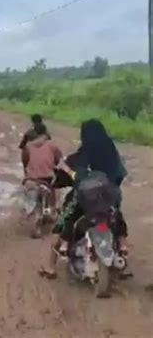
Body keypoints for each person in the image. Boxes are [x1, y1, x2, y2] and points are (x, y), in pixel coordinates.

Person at [39, 119, 128, 279]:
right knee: (116, 217)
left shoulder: (80, 156)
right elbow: (121, 174)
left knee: (63, 222)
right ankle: (122, 245)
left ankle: (51, 266)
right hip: (109, 197)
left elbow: (64, 177)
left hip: (83, 199)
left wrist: (60, 180)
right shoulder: (112, 153)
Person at [22, 123, 63, 237]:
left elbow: (25, 163)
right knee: (54, 191)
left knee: (35, 203)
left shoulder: (28, 147)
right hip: (47, 180)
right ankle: (51, 212)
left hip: (31, 180)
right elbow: (60, 161)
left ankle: (37, 226)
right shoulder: (52, 146)